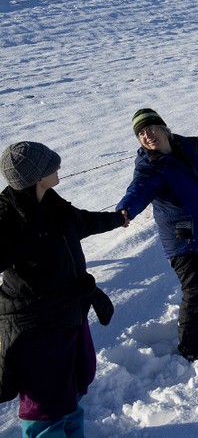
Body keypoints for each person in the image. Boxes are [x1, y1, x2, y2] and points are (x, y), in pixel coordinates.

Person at [1, 141, 126, 436]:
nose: (58, 167)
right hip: (36, 325)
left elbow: (81, 222)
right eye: (50, 165)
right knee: (44, 402)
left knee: (72, 385)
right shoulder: (8, 217)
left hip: (69, 313)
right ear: (35, 177)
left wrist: (116, 219)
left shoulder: (52, 204)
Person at [118, 109, 198, 361]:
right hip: (185, 238)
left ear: (164, 128)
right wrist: (125, 210)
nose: (147, 135)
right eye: (141, 133)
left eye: (151, 128)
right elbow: (138, 191)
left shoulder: (189, 149)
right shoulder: (150, 168)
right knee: (196, 292)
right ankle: (191, 348)